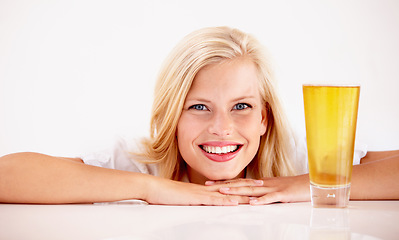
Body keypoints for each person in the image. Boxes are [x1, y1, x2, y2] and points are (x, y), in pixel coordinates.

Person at [0, 26, 398, 205]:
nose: (222, 128)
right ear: (172, 116)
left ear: (264, 119)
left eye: (242, 107)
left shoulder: (299, 158)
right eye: (198, 107)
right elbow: (9, 174)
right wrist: (154, 189)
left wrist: (304, 184)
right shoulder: (139, 164)